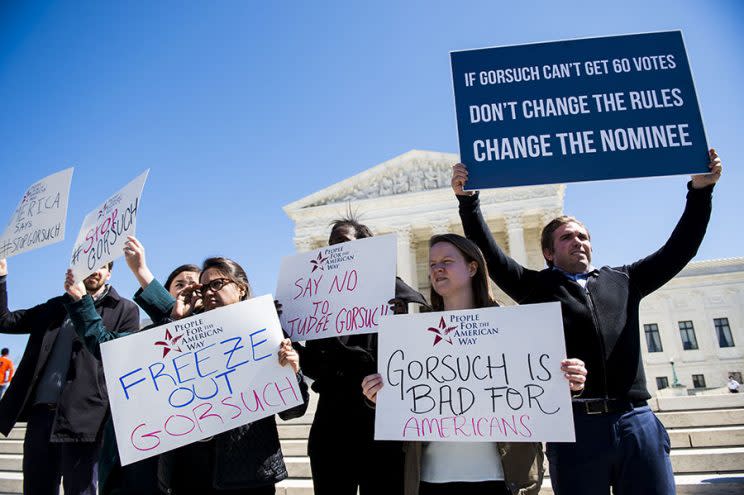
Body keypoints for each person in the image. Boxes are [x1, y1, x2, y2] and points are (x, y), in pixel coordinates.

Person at [451, 148, 723, 495]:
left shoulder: (625, 280)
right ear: (548, 253)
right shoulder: (537, 287)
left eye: (583, 236)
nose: (578, 242)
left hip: (635, 420)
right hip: (576, 427)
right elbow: (491, 255)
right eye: (567, 237)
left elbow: (680, 248)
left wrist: (700, 191)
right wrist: (468, 203)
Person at [65, 255, 309, 494]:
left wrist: (294, 372)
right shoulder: (181, 333)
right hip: (187, 471)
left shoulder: (268, 330)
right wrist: (81, 302)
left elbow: (293, 411)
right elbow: (110, 349)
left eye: (217, 284)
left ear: (241, 288)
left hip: (249, 474)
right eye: (204, 288)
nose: (209, 292)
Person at [362, 234, 580, 494]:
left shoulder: (515, 326)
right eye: (432, 264)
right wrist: (379, 395)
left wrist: (569, 381)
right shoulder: (413, 336)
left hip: (503, 477)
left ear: (472, 267)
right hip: (431, 479)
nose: (437, 269)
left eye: (446, 261)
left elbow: (538, 384)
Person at [298, 216, 430, 495]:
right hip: (331, 430)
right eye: (331, 243)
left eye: (343, 242)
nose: (334, 249)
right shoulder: (317, 303)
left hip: (379, 431)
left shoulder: (393, 293)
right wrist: (290, 348)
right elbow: (315, 368)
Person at [0, 257, 140, 495]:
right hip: (41, 416)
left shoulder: (125, 309)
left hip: (85, 418)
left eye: (102, 265)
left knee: (80, 489)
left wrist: (81, 302)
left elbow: (119, 357)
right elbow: (5, 321)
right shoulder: (54, 307)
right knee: (36, 488)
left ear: (109, 274)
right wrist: (1, 277)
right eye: (88, 263)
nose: (94, 269)